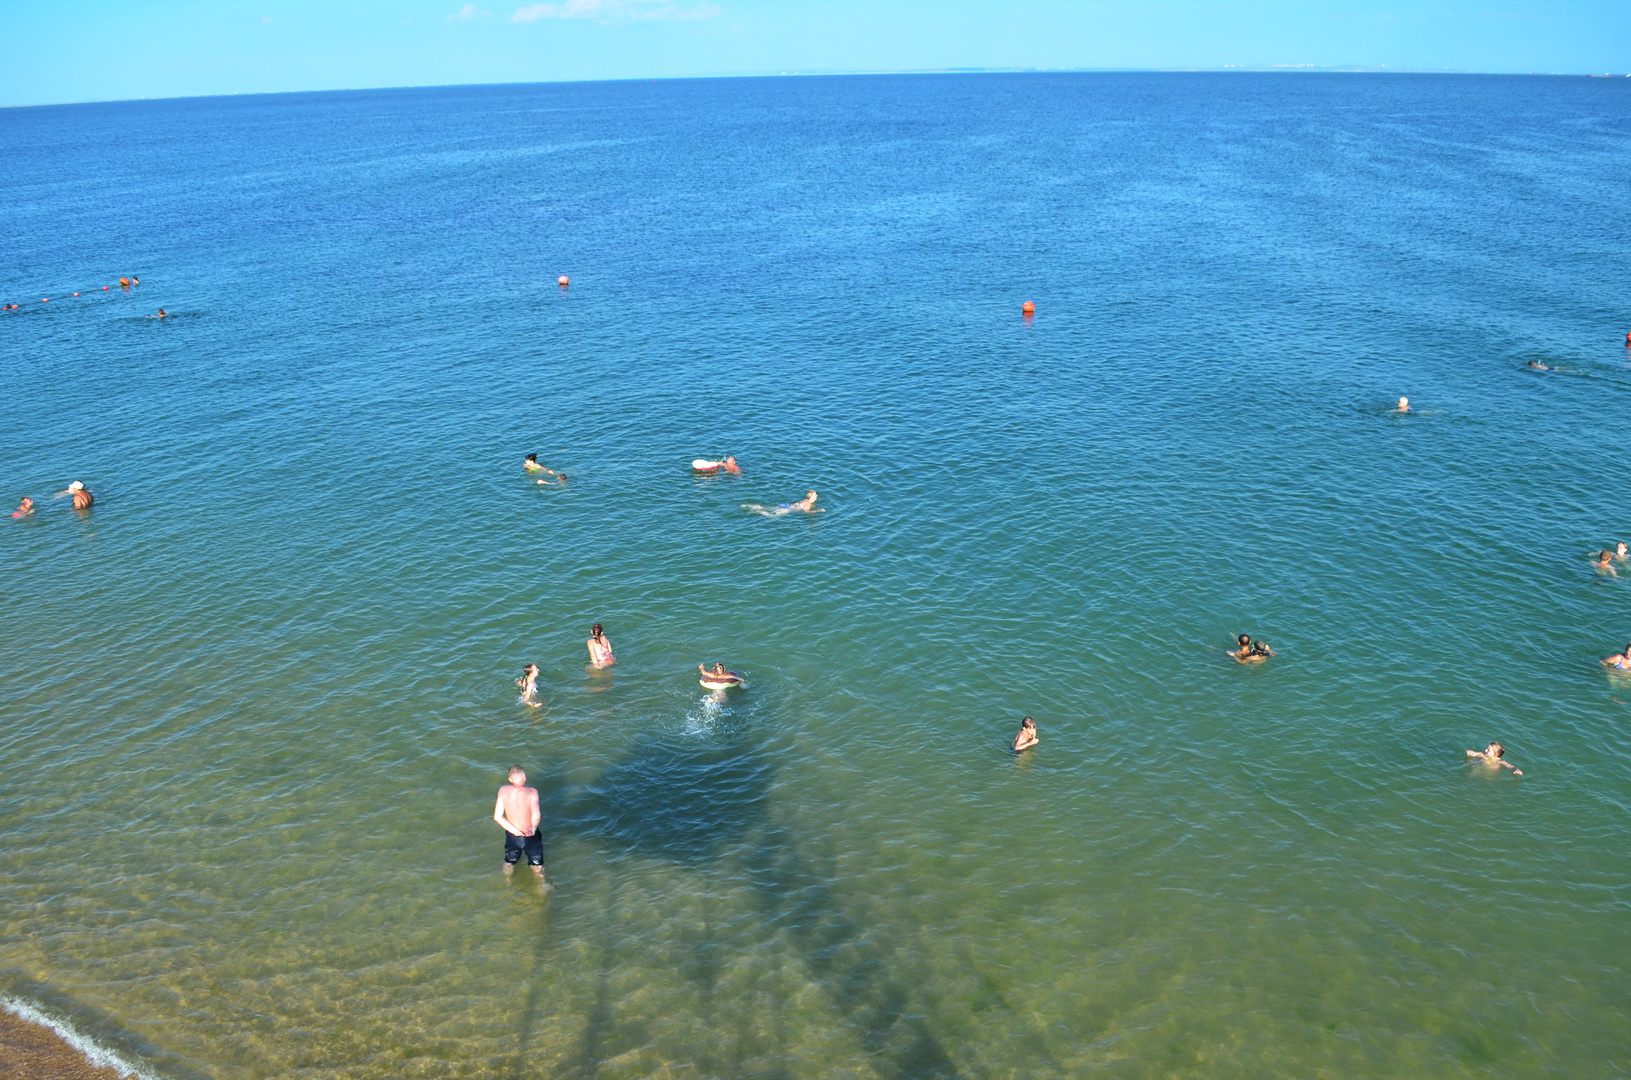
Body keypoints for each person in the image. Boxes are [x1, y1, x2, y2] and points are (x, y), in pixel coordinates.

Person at [493, 766, 547, 882]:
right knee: (536, 865)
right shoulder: (532, 792)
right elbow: (536, 816)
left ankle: (507, 883)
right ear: (524, 776)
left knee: (509, 862)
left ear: (510, 779)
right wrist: (533, 829)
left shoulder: (503, 790)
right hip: (529, 835)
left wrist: (515, 831)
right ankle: (540, 887)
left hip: (513, 835)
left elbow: (497, 817)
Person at [743, 490, 821, 517]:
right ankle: (758, 512)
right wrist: (818, 511)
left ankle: (749, 506)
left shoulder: (805, 500)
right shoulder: (808, 504)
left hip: (786, 505)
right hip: (788, 509)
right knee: (772, 516)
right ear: (812, 497)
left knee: (767, 508)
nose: (817, 496)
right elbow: (806, 512)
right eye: (815, 495)